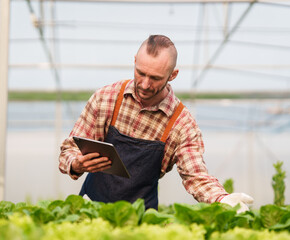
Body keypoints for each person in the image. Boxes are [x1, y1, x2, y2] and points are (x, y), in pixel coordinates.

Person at [59, 34, 253, 212]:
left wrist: (221, 199)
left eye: (155, 78)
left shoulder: (181, 123)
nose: (144, 84)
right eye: (140, 73)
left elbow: (195, 176)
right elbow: (69, 150)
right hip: (92, 208)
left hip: (141, 218)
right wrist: (77, 163)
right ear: (134, 61)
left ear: (173, 75)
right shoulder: (106, 98)